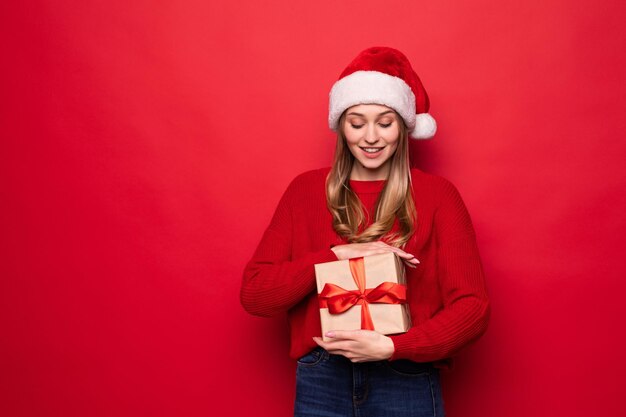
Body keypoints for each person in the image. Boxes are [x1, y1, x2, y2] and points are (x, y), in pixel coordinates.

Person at [240, 46, 490, 417]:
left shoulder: (437, 196)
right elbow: (256, 294)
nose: (370, 137)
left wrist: (395, 347)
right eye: (356, 122)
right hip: (322, 378)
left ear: (404, 126)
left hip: (405, 375)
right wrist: (338, 255)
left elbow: (473, 307)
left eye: (385, 122)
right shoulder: (305, 191)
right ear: (340, 124)